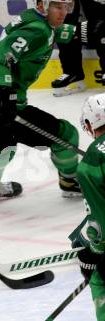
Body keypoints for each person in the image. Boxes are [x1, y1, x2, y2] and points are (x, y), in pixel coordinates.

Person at [0, 0, 83, 199]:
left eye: (67, 7)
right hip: (0, 101)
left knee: (2, 147)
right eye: (57, 6)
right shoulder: (37, 29)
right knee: (65, 136)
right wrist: (7, 95)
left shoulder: (34, 18)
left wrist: (83, 32)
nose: (63, 12)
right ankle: (70, 182)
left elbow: (53, 32)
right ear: (42, 5)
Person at [73, 93, 105, 320]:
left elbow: (101, 223)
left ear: (89, 124)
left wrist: (93, 254)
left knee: (99, 280)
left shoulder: (90, 165)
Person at [51, 0, 105, 96]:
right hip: (84, 23)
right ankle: (73, 73)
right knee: (64, 32)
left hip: (100, 23)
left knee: (103, 34)